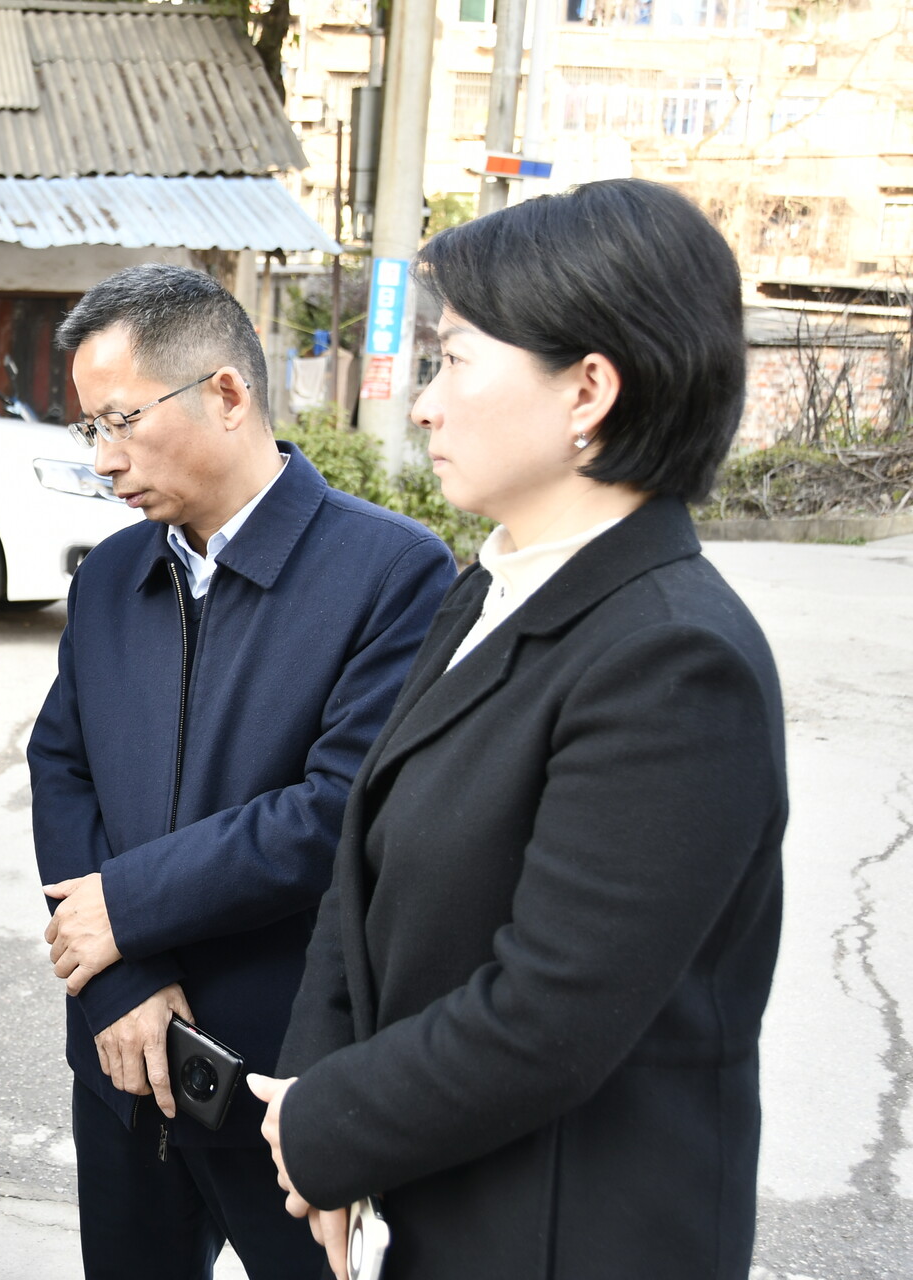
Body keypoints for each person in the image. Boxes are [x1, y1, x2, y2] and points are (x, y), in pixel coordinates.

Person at [254, 179, 786, 1280]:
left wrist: (324, 1128)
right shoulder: (493, 584)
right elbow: (362, 874)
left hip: (561, 1230)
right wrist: (311, 1098)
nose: (426, 404)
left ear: (588, 388)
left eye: (454, 360)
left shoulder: (677, 660)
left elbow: (548, 1015)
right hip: (421, 1196)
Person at [27, 264, 455, 1280]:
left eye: (122, 420)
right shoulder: (112, 578)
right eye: (90, 428)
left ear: (226, 392)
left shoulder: (393, 572)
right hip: (124, 1054)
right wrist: (119, 974)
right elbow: (60, 765)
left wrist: (123, 908)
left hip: (286, 1076)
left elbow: (337, 808)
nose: (105, 459)